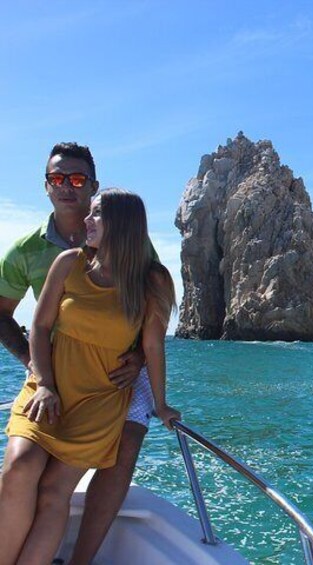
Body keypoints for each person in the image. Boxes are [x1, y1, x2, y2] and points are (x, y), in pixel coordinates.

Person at [0, 143, 171, 563]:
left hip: (119, 368)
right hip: (55, 362)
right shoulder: (33, 252)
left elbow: (150, 328)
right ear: (46, 186)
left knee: (125, 447)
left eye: (77, 180)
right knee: (25, 469)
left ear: (92, 185)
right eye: (57, 179)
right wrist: (37, 370)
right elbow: (19, 320)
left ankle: (82, 559)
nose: (67, 187)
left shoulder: (138, 252)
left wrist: (141, 364)